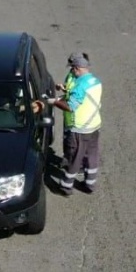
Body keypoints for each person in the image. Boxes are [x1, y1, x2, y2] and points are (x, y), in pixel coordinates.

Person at [47, 54, 102, 195]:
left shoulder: (80, 86)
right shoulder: (95, 81)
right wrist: (66, 90)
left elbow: (70, 106)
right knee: (91, 156)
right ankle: (90, 185)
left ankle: (66, 187)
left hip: (79, 129)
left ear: (77, 68)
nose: (71, 71)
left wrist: (53, 102)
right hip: (94, 126)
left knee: (74, 158)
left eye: (72, 69)